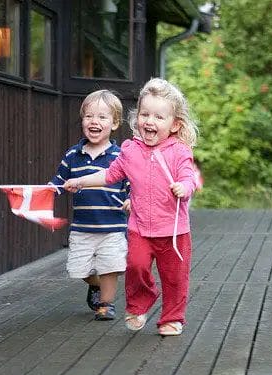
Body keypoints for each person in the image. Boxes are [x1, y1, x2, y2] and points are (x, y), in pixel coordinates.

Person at [64, 78, 198, 336]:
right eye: (145, 114)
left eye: (159, 117)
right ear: (137, 118)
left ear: (174, 124)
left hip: (173, 231)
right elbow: (108, 175)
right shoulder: (129, 150)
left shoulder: (179, 151)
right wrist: (81, 181)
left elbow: (188, 177)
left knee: (175, 278)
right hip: (139, 228)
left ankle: (172, 318)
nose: (150, 121)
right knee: (135, 266)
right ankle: (139, 305)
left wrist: (184, 187)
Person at [49, 89, 130, 321]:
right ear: (82, 120)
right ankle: (94, 286)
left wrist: (130, 199)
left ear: (114, 123)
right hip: (82, 228)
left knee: (110, 266)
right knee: (78, 270)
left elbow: (132, 184)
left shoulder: (120, 157)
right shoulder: (73, 155)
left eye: (102, 117)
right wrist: (49, 190)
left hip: (113, 226)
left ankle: (106, 304)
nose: (94, 121)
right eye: (89, 116)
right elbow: (59, 181)